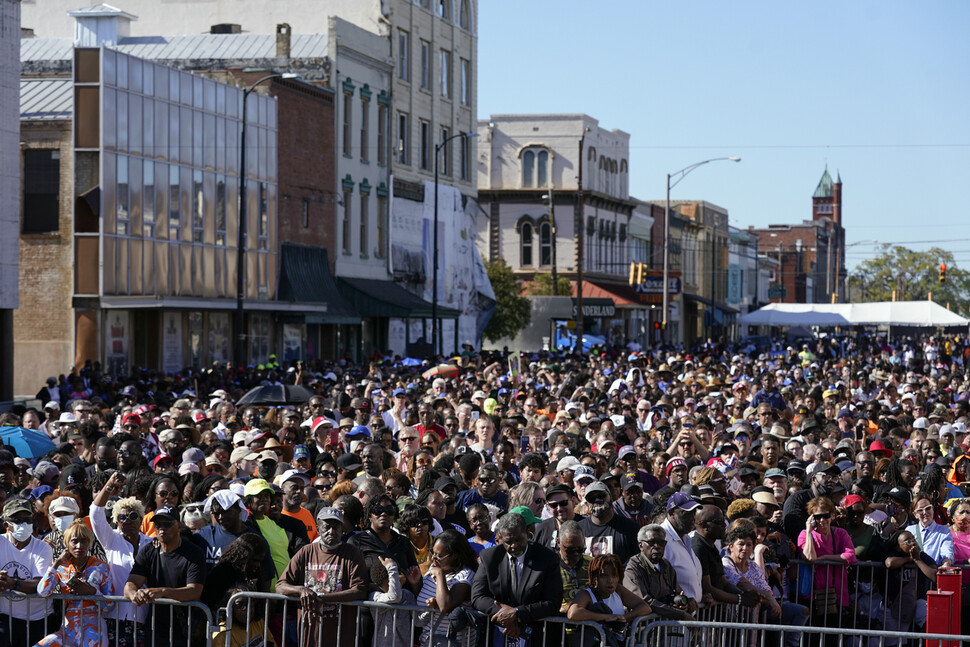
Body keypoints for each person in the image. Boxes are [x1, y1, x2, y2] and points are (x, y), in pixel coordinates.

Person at [275, 507, 368, 646]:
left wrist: (322, 598)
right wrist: (301, 590)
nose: (331, 531)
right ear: (318, 529)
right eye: (327, 527)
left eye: (336, 527)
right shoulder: (306, 552)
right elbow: (280, 586)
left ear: (343, 530)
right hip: (310, 633)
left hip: (341, 635)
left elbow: (360, 590)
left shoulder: (353, 553)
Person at [470, 512, 563, 646]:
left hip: (536, 636)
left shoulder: (547, 558)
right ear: (499, 538)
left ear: (528, 533)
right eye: (508, 542)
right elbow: (478, 596)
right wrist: (505, 617)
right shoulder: (489, 557)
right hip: (498, 634)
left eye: (519, 539)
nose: (514, 545)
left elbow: (553, 602)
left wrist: (517, 614)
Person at [123, 504, 206, 647]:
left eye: (167, 523)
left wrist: (163, 592)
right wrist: (133, 595)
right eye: (158, 524)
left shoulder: (194, 553)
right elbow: (130, 584)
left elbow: (195, 591)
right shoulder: (148, 551)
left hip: (184, 629)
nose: (161, 528)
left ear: (179, 526)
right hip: (155, 628)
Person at [90, 471, 152, 647]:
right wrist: (109, 486)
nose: (128, 521)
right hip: (114, 616)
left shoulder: (152, 544)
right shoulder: (111, 540)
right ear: (116, 522)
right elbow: (95, 513)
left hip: (144, 616)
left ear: (141, 519)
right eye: (122, 517)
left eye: (133, 516)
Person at [722, 519, 808, 647]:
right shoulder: (726, 562)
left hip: (752, 620)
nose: (745, 548)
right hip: (729, 620)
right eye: (741, 544)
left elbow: (763, 586)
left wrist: (769, 597)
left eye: (749, 545)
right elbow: (742, 583)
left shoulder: (753, 566)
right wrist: (770, 598)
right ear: (731, 546)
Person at [35, 520, 114, 647]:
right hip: (68, 630)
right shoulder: (62, 568)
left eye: (84, 541)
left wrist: (92, 592)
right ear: (67, 543)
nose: (79, 546)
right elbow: (42, 591)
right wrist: (56, 563)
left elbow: (109, 605)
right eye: (74, 541)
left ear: (90, 543)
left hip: (93, 631)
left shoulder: (101, 567)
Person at [797, 496, 856, 633]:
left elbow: (851, 555)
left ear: (832, 515)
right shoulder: (804, 534)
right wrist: (808, 530)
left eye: (826, 515)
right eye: (818, 517)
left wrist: (824, 557)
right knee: (813, 637)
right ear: (812, 518)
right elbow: (810, 557)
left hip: (836, 594)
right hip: (813, 595)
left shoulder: (841, 533)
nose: (822, 520)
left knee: (833, 636)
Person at [0, 498, 53, 647]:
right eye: (17, 520)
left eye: (27, 519)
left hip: (37, 619)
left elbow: (40, 584)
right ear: (6, 524)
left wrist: (12, 583)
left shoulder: (43, 548)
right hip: (5, 617)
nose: (23, 524)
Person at [566, 554, 652, 644]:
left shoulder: (619, 590)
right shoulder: (586, 594)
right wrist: (606, 617)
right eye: (604, 576)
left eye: (614, 575)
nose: (610, 580)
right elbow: (573, 614)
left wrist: (624, 618)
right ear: (595, 577)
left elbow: (645, 608)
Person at [348, 494, 422, 596]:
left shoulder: (404, 542)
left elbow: (416, 582)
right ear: (369, 515)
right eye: (378, 510)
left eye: (389, 510)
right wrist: (387, 585)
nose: (383, 514)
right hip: (368, 606)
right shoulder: (356, 541)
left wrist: (414, 583)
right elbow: (351, 580)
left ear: (394, 516)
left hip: (400, 607)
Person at [415, 529, 477, 646]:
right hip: (429, 641)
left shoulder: (465, 575)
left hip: (454, 642)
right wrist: (415, 584)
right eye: (433, 553)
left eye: (439, 556)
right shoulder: (432, 568)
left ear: (455, 556)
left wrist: (440, 575)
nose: (434, 558)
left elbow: (445, 606)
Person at [623, 524, 694, 620]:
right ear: (641, 545)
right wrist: (679, 614)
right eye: (651, 543)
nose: (657, 547)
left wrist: (684, 603)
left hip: (663, 626)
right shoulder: (632, 567)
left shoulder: (666, 565)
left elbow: (678, 592)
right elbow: (643, 601)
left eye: (661, 543)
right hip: (641, 628)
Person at [882, 529, 937, 636]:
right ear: (898, 547)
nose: (912, 542)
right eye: (907, 541)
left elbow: (934, 576)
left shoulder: (922, 556)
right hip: (896, 604)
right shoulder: (894, 554)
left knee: (928, 623)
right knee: (896, 640)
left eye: (913, 539)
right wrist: (908, 559)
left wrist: (917, 560)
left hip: (918, 601)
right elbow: (890, 563)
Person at [576, 480, 639, 562]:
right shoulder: (578, 529)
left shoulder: (630, 528)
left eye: (601, 496)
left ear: (611, 497)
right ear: (587, 503)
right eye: (592, 498)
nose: (597, 501)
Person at [660, 493, 703, 607]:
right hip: (673, 618)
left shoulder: (686, 537)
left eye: (693, 513)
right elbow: (660, 581)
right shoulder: (662, 538)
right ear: (671, 513)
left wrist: (702, 595)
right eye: (686, 513)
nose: (692, 518)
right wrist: (679, 599)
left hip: (689, 616)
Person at [905, 492, 954, 566]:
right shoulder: (909, 530)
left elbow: (947, 552)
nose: (925, 512)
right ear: (915, 514)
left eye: (928, 508)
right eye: (920, 510)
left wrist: (946, 564)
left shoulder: (944, 531)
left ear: (933, 509)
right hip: (914, 575)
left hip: (933, 573)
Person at [555, 520, 592, 614]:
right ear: (558, 542)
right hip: (558, 625)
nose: (576, 554)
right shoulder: (550, 566)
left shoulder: (593, 564)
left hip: (589, 625)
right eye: (570, 550)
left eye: (580, 549)